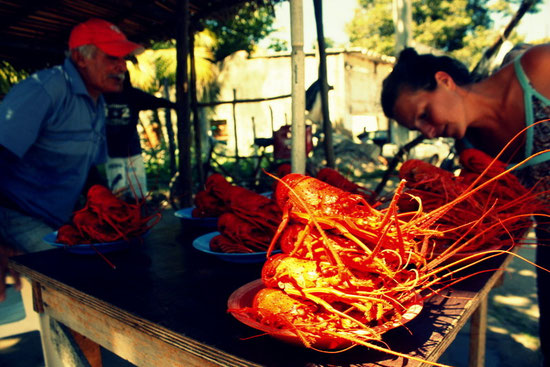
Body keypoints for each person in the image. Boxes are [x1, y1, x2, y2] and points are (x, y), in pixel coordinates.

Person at [381, 45, 550, 366]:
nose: (430, 132)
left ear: (444, 80)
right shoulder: (470, 148)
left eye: (424, 115)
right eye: (420, 129)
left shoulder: (540, 69)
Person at [0, 18, 143, 301]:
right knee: (72, 285)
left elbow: (91, 174)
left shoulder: (97, 102)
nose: (122, 67)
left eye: (124, 59)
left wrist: (115, 209)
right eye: (112, 57)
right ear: (80, 58)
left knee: (118, 257)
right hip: (15, 213)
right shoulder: (47, 88)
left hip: (57, 216)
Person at [103, 72, 176, 199]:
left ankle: (139, 215)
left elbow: (154, 101)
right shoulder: (102, 95)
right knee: (117, 193)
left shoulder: (132, 95)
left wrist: (174, 105)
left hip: (133, 151)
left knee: (138, 192)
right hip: (112, 153)